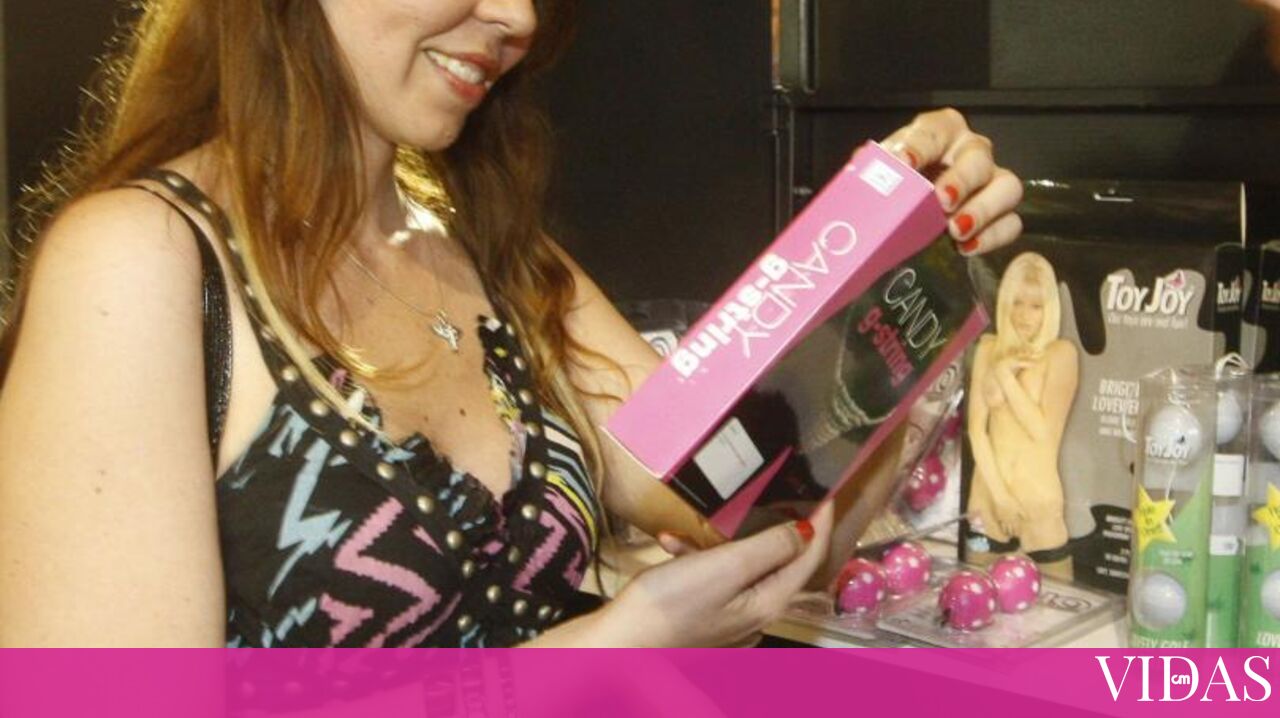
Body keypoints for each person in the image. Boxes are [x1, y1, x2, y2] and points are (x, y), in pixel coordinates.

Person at [0, 0, 1023, 647]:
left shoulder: (492, 252)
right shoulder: (142, 263)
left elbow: (763, 521)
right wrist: (598, 659)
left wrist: (899, 271)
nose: (517, 17)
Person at [966, 252, 1078, 572]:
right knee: (973, 592)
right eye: (1016, 302)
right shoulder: (988, 348)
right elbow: (976, 430)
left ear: (1049, 309)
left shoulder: (1061, 354)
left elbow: (1042, 432)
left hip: (1038, 504)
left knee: (1059, 595)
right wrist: (1001, 499)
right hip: (986, 503)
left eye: (1035, 306)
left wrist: (1005, 375)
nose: (1024, 315)